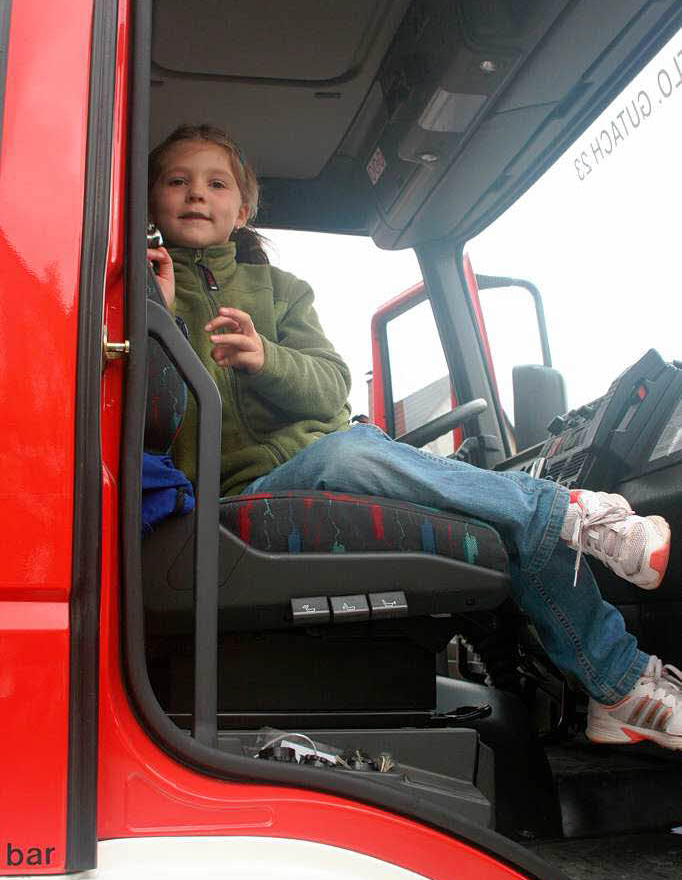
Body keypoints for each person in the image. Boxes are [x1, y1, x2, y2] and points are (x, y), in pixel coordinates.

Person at [146, 123, 682, 751]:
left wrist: (268, 358)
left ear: (242, 208)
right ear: (151, 198)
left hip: (321, 457)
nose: (196, 195)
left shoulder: (283, 293)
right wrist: (162, 317)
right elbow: (157, 419)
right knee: (355, 452)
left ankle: (617, 687)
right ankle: (576, 518)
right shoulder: (140, 287)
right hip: (239, 490)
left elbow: (330, 389)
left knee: (505, 512)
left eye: (216, 183)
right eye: (176, 181)